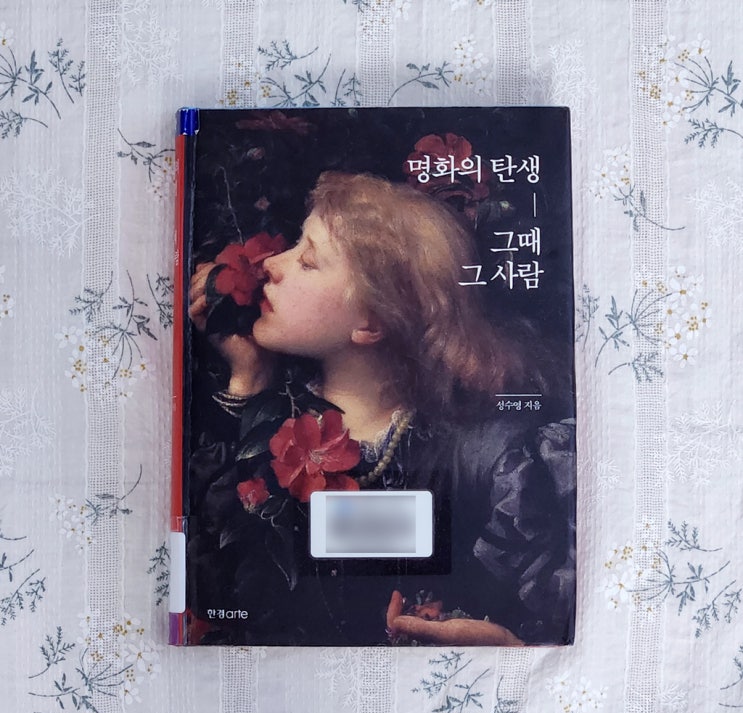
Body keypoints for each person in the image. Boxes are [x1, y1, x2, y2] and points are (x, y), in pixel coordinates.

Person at [187, 171, 575, 647]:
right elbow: (222, 588)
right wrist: (248, 380)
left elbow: (555, 634)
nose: (272, 265)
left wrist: (508, 649)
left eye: (307, 261)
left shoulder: (498, 457)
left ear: (371, 322)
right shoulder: (275, 407)